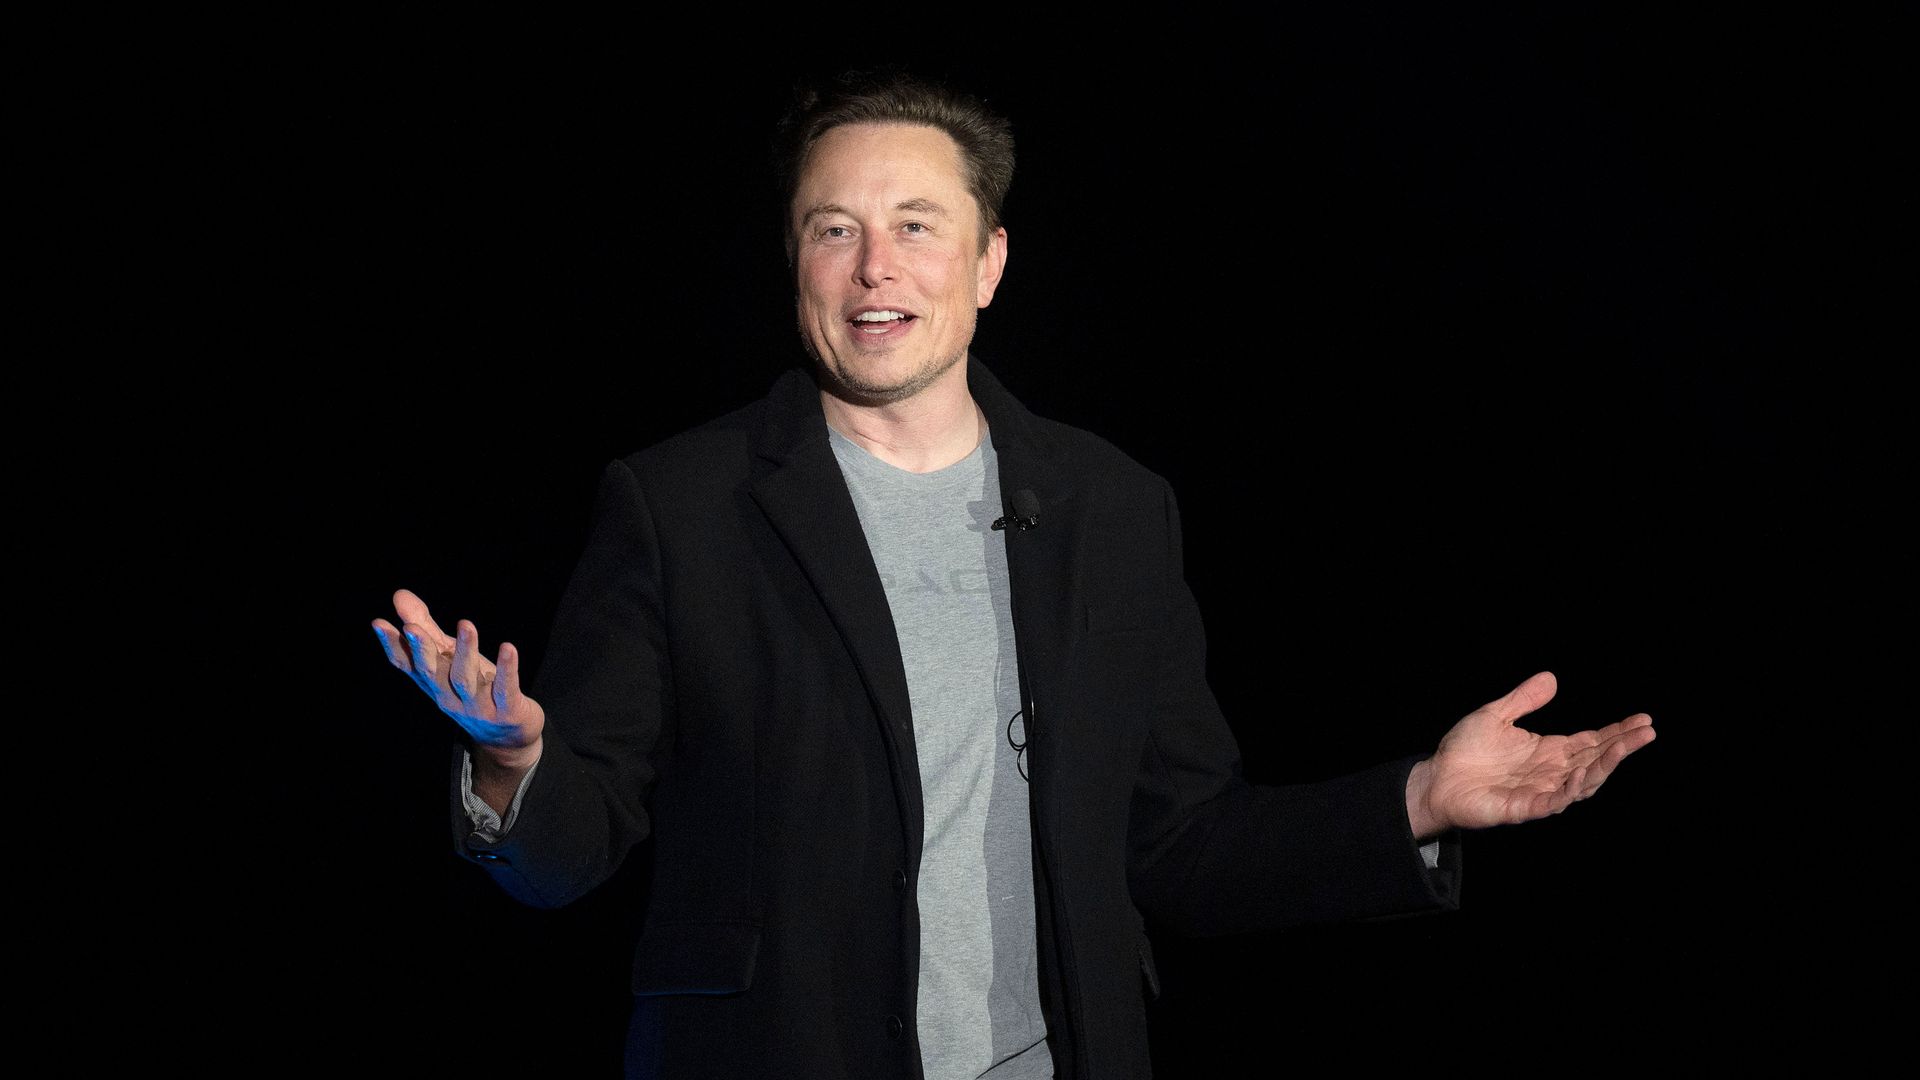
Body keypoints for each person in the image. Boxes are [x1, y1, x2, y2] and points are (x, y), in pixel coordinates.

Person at [371, 70, 1656, 1080]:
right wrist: (514, 767)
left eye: (917, 227)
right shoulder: (679, 505)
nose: (877, 266)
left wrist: (1417, 801)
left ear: (987, 264)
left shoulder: (1111, 507)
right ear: (796, 264)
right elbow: (566, 852)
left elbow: (1182, 844)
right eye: (836, 230)